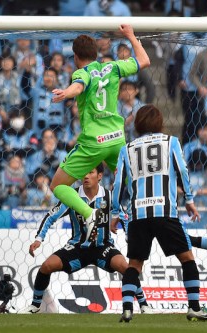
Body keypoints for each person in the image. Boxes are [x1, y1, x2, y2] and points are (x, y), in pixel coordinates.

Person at [110, 104, 207, 322]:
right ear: (159, 123)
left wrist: (114, 212)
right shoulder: (171, 142)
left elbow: (118, 182)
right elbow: (183, 170)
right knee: (187, 258)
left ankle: (127, 309)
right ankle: (194, 307)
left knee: (135, 265)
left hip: (138, 215)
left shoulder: (126, 149)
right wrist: (189, 200)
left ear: (138, 124)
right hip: (165, 211)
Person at [49, 24, 150, 244]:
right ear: (96, 54)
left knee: (57, 185)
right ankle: (142, 217)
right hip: (117, 138)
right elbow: (144, 61)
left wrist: (66, 92)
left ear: (75, 56)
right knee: (130, 182)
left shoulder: (82, 72)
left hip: (94, 142)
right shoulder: (113, 67)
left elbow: (79, 85)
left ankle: (89, 214)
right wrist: (131, 36)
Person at [20, 164, 151, 314]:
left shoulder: (109, 197)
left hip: (103, 247)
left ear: (100, 176)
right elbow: (50, 217)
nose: (86, 176)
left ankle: (144, 305)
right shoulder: (72, 196)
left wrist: (130, 237)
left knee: (126, 269)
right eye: (84, 173)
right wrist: (39, 238)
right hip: (78, 248)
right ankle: (35, 306)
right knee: (46, 266)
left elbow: (125, 219)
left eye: (91, 172)